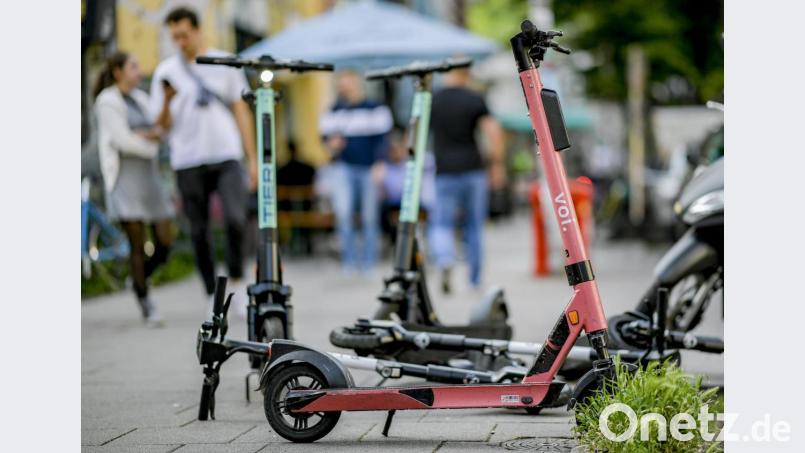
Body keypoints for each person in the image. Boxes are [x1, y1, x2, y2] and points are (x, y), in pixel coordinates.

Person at [149, 7, 256, 316]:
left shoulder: (225, 63)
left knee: (236, 219)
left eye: (184, 35)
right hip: (188, 159)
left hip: (226, 156)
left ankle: (236, 279)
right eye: (175, 37)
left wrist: (251, 159)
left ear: (198, 31)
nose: (180, 42)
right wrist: (168, 100)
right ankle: (211, 291)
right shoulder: (165, 71)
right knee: (199, 230)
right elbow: (162, 126)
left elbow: (241, 111)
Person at [94, 51, 174, 325]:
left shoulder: (141, 97)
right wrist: (151, 140)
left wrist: (152, 130)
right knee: (137, 245)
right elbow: (122, 140)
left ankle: (139, 278)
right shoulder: (107, 101)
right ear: (117, 71)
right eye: (133, 66)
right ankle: (145, 300)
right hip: (125, 178)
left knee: (165, 241)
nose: (138, 71)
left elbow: (162, 129)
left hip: (149, 179)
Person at [428, 65, 505, 293]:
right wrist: (497, 165)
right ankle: (473, 280)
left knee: (441, 223)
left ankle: (444, 259)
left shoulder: (434, 100)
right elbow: (494, 132)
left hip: (444, 171)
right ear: (467, 75)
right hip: (473, 169)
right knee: (474, 226)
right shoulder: (474, 99)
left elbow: (417, 133)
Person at [319, 70, 392, 274]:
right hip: (343, 167)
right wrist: (331, 144)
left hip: (369, 167)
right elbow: (325, 139)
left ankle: (369, 262)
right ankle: (349, 261)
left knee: (370, 217)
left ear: (357, 84)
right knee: (344, 215)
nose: (345, 87)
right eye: (342, 83)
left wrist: (380, 163)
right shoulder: (334, 111)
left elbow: (383, 140)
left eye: (348, 83)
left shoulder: (375, 108)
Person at [380, 128, 436, 244]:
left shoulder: (427, 159)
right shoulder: (396, 165)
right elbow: (394, 189)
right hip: (402, 203)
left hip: (424, 203)